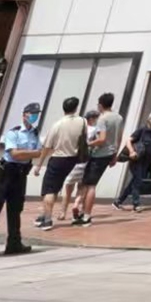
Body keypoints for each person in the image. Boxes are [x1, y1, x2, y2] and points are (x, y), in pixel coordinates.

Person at [0, 103, 42, 257]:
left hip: (21, 174)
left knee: (16, 209)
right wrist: (30, 153)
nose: (35, 116)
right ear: (24, 114)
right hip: (7, 173)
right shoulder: (14, 133)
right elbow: (14, 154)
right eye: (32, 113)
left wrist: (26, 153)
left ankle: (14, 243)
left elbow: (39, 153)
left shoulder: (34, 133)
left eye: (37, 113)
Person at [33, 95, 89, 231]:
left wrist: (39, 165)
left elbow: (47, 146)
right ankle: (44, 215)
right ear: (76, 108)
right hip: (73, 160)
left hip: (58, 159)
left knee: (49, 190)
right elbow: (84, 138)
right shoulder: (83, 121)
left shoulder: (57, 125)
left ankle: (47, 219)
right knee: (56, 187)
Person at [75, 92, 123, 225]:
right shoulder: (118, 118)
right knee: (88, 183)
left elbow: (101, 139)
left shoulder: (103, 119)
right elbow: (118, 138)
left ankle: (86, 215)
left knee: (90, 185)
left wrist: (88, 144)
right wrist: (115, 155)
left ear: (101, 105)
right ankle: (82, 212)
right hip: (109, 153)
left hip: (98, 154)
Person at [115, 109, 151, 212]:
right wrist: (132, 152)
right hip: (137, 160)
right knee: (138, 181)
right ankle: (136, 204)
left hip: (147, 161)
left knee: (135, 181)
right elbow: (128, 140)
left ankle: (118, 202)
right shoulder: (142, 130)